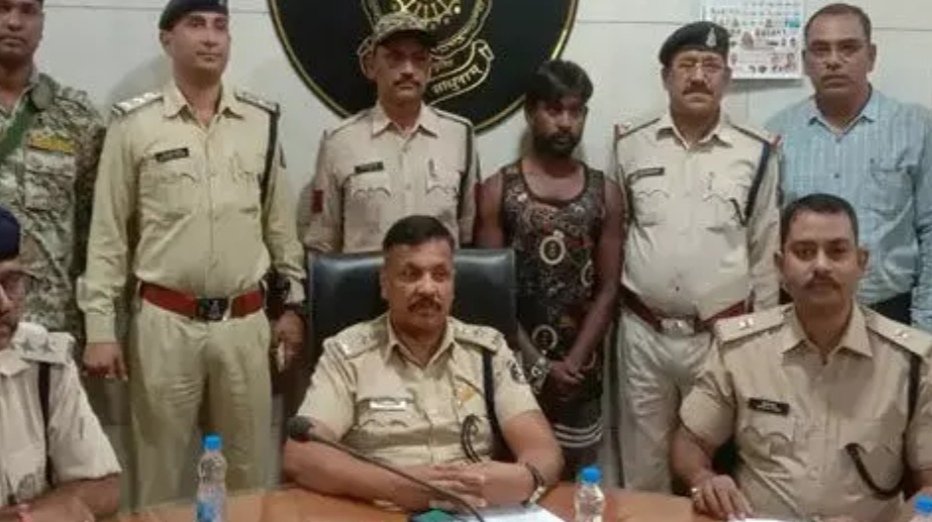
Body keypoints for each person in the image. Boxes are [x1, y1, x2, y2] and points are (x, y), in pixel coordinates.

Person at [78, 0, 306, 507]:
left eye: (221, 26)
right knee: (157, 474)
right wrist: (100, 328)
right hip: (165, 323)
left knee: (247, 475)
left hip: (244, 324)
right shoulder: (135, 125)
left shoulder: (260, 121)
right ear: (167, 39)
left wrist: (293, 306)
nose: (211, 38)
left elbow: (280, 229)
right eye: (196, 25)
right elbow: (108, 235)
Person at [672, 193, 932, 522]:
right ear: (780, 266)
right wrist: (703, 480)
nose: (821, 266)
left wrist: (920, 514)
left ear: (861, 262)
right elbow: (690, 443)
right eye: (805, 252)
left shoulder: (910, 361)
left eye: (837, 251)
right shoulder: (741, 350)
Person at [283, 215, 563, 511]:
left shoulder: (488, 350)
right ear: (384, 284)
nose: (428, 289)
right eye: (411, 274)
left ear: (453, 284)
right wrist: (397, 487)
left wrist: (525, 478)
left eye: (440, 275)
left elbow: (543, 449)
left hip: (473, 512)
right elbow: (301, 455)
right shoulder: (348, 355)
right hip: (381, 512)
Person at [613, 21, 781, 492]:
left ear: (727, 78)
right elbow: (618, 234)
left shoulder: (757, 150)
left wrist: (760, 340)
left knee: (711, 470)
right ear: (666, 76)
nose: (699, 76)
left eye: (711, 66)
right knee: (643, 469)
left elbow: (765, 251)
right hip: (643, 332)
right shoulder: (629, 143)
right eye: (686, 65)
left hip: (721, 336)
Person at [474, 60, 622, 479]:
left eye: (575, 112)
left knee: (577, 487)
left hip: (580, 373)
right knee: (511, 483)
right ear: (530, 112)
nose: (565, 123)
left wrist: (573, 362)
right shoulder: (499, 189)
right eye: (554, 110)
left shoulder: (605, 192)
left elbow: (609, 288)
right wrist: (537, 364)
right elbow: (491, 292)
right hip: (513, 369)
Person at [766, 3, 932, 330]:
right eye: (820, 50)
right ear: (805, 61)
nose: (833, 60)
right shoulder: (777, 134)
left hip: (891, 312)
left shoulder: (916, 128)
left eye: (848, 48)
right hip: (801, 316)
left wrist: (926, 324)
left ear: (871, 56)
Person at [302, 10, 479, 254]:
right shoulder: (339, 141)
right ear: (370, 66)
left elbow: (468, 234)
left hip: (436, 277)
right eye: (395, 58)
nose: (408, 70)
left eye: (419, 58)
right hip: (367, 278)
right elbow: (322, 243)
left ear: (430, 69)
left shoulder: (459, 135)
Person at [0, 206, 120, 522]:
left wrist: (39, 515)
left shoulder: (43, 359)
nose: (4, 304)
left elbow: (104, 486)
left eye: (11, 281)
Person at [0, 0, 103, 336]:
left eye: (27, 10)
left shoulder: (76, 116)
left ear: (42, 23)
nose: (14, 22)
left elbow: (97, 231)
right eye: (3, 8)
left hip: (48, 325)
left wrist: (99, 326)